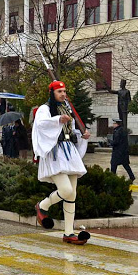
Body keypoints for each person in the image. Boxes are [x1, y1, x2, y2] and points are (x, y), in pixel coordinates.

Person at [33, 80, 91, 245]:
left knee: (72, 194)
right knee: (65, 190)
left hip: (69, 150)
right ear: (52, 93)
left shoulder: (67, 108)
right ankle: (42, 205)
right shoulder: (44, 109)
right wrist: (58, 119)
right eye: (60, 92)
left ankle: (68, 233)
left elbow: (70, 131)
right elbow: (41, 125)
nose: (63, 94)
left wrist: (82, 135)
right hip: (55, 151)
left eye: (64, 91)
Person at [110, 118, 135, 182]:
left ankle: (112, 177)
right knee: (125, 164)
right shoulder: (122, 130)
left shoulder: (117, 131)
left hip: (118, 152)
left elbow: (116, 142)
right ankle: (132, 176)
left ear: (116, 124)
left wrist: (110, 142)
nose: (113, 125)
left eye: (114, 123)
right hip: (124, 151)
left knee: (113, 164)